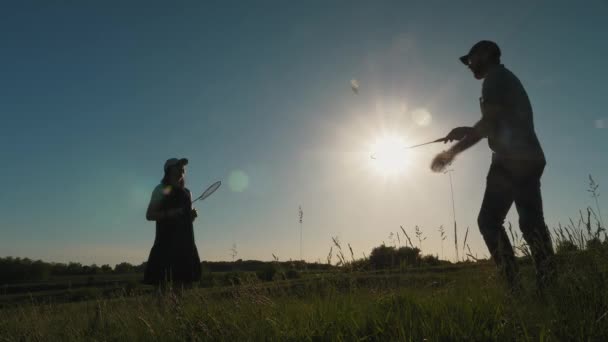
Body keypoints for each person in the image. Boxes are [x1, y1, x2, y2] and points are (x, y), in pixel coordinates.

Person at [431, 41, 555, 291]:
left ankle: (514, 287)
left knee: (489, 221)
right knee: (531, 223)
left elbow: (489, 125)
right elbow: (499, 124)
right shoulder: (504, 78)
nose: (468, 66)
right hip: (529, 157)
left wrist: (450, 153)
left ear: (485, 55)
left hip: (510, 160)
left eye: (470, 59)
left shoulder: (495, 78)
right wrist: (466, 130)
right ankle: (548, 285)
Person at [144, 158, 201, 287]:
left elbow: (186, 219)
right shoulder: (162, 189)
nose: (182, 168)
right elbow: (149, 215)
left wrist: (192, 216)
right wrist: (170, 213)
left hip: (186, 244)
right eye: (178, 165)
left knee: (181, 290)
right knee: (162, 290)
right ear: (169, 170)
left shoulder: (187, 193)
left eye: (183, 166)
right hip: (165, 244)